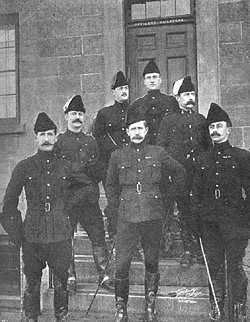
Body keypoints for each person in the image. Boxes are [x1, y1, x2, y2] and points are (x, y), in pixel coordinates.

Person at [106, 107, 186, 322]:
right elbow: (111, 185)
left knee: (152, 261)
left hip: (153, 214)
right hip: (126, 216)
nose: (137, 132)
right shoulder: (117, 155)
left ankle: (150, 307)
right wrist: (116, 208)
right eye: (133, 129)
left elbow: (179, 171)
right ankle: (121, 310)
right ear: (127, 132)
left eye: (140, 128)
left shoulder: (158, 152)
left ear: (147, 130)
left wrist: (166, 199)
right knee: (122, 263)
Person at [0, 112, 77, 322]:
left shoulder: (66, 167)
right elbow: (8, 204)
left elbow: (86, 189)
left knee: (62, 281)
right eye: (42, 134)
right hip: (32, 235)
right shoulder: (24, 167)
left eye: (50, 134)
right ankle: (30, 318)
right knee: (32, 283)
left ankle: (62, 317)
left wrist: (65, 211)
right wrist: (17, 234)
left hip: (60, 234)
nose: (46, 139)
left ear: (55, 136)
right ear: (36, 138)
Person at [190, 103, 250, 321]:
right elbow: (195, 194)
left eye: (219, 126)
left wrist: (245, 219)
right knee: (214, 266)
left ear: (229, 129)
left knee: (235, 267)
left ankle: (240, 309)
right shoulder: (202, 159)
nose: (215, 130)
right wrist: (195, 223)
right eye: (212, 127)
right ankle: (217, 308)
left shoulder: (242, 157)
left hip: (235, 223)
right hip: (209, 223)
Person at [54, 95, 114, 292]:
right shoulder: (59, 142)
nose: (77, 117)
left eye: (80, 114)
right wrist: (81, 173)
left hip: (89, 199)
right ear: (66, 116)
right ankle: (69, 276)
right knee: (66, 238)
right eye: (73, 114)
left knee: (98, 236)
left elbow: (98, 170)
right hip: (68, 200)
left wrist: (77, 173)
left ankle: (104, 275)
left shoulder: (91, 142)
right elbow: (60, 171)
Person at [157, 76, 211, 267]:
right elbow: (161, 148)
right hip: (175, 176)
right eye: (186, 94)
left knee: (192, 211)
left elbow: (207, 148)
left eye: (192, 94)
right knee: (172, 210)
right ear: (177, 98)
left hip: (196, 175)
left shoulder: (201, 120)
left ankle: (193, 249)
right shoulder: (168, 120)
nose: (190, 98)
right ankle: (167, 248)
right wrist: (169, 170)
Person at [92, 71, 130, 241]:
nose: (124, 91)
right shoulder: (104, 113)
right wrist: (114, 150)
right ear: (113, 92)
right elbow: (98, 137)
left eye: (126, 88)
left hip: (131, 165)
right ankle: (115, 234)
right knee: (114, 201)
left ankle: (132, 239)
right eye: (120, 88)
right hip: (111, 166)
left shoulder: (135, 111)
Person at [131, 59, 177, 145]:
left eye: (155, 77)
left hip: (167, 147)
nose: (152, 80)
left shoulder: (171, 101)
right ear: (144, 82)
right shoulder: (138, 104)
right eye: (148, 78)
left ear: (160, 80)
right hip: (146, 149)